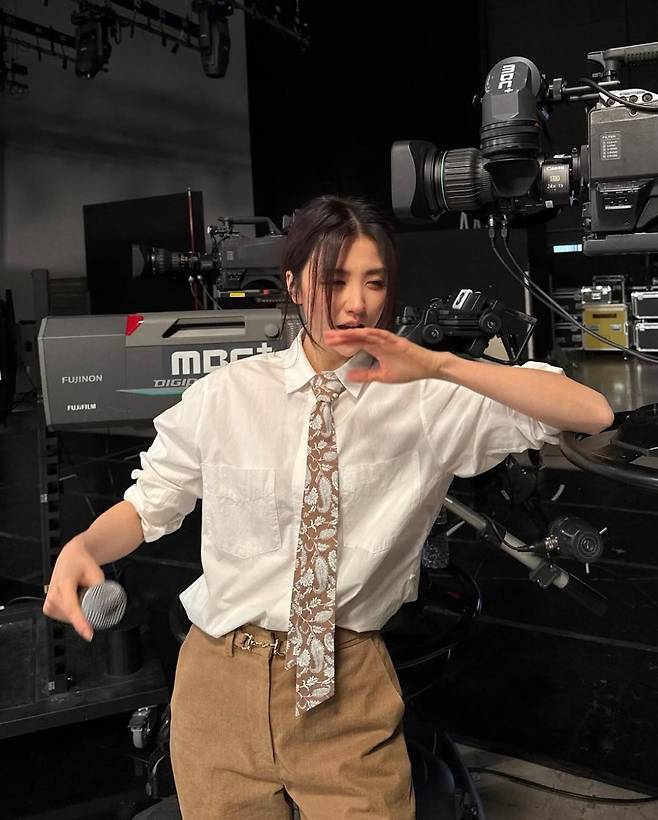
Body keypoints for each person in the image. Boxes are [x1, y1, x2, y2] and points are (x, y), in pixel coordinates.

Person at [43, 195, 614, 819]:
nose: (355, 303)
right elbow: (148, 506)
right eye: (334, 281)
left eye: (374, 282)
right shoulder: (224, 397)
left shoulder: (427, 400)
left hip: (347, 684)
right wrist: (83, 546)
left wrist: (441, 365)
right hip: (219, 684)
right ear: (292, 285)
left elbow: (590, 413)